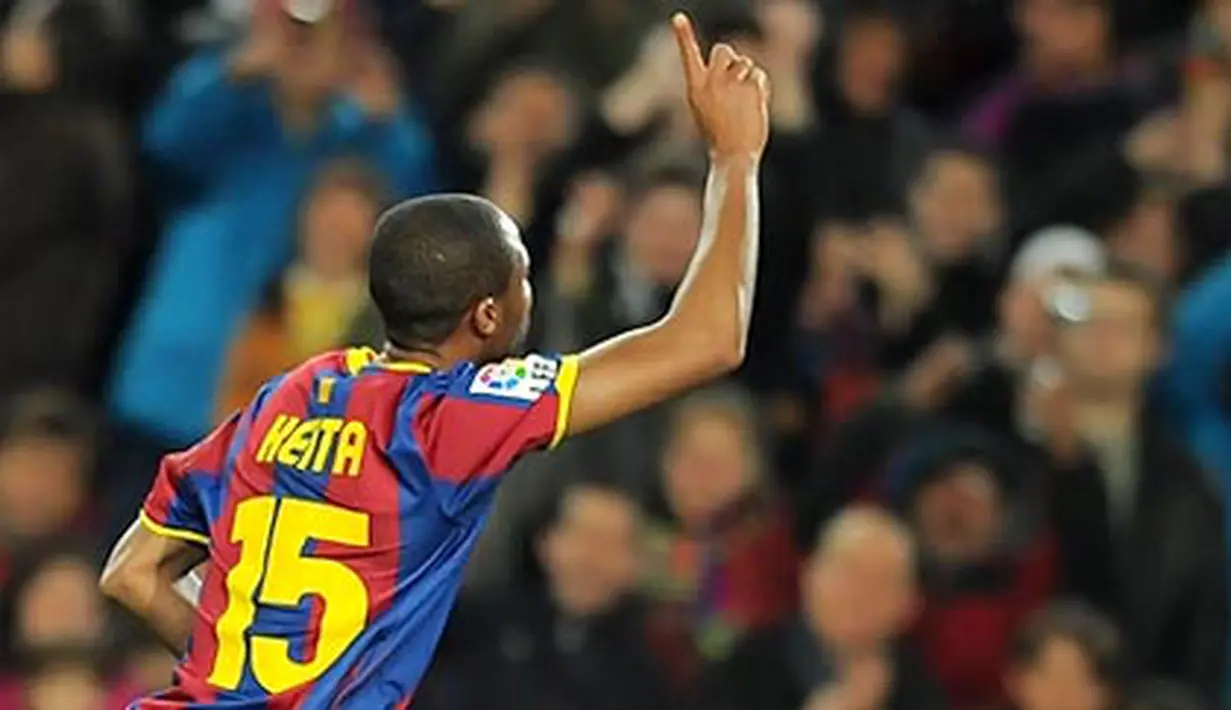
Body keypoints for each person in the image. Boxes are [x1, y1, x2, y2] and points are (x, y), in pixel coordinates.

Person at [97, 13, 771, 709]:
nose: (527, 295)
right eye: (522, 278)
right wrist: (733, 159)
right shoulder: (456, 417)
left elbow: (132, 573)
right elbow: (707, 339)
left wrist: (243, 684)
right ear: (486, 313)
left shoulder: (294, 394)